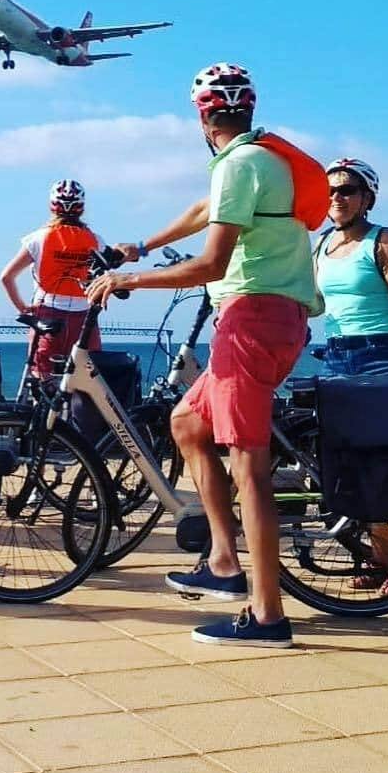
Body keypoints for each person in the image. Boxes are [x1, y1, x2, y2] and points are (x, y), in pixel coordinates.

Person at [88, 64, 319, 649]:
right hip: (268, 316)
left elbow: (212, 263)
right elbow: (203, 209)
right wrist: (142, 245)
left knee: (250, 471)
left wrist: (129, 279)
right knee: (188, 422)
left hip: (253, 318)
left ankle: (268, 617)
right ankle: (222, 561)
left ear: (201, 115)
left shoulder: (240, 164)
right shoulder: (258, 159)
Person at [315, 156, 388, 595]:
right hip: (337, 356)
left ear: (367, 198)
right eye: (330, 192)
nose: (336, 198)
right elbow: (318, 303)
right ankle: (380, 559)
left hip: (381, 354)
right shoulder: (322, 245)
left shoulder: (384, 240)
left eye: (346, 190)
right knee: (356, 465)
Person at [0, 178, 105, 378]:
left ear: (52, 207)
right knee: (87, 380)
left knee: (42, 378)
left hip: (48, 313)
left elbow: (6, 277)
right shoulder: (95, 241)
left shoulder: (38, 238)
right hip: (84, 317)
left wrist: (21, 307)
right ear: (81, 208)